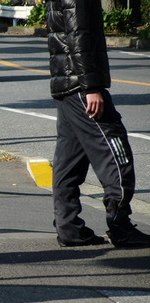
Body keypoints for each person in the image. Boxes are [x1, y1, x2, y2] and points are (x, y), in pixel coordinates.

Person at [46, 0, 150, 247]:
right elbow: (78, 36)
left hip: (66, 85)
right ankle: (120, 226)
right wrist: (91, 87)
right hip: (81, 86)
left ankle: (69, 227)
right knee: (116, 153)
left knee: (68, 161)